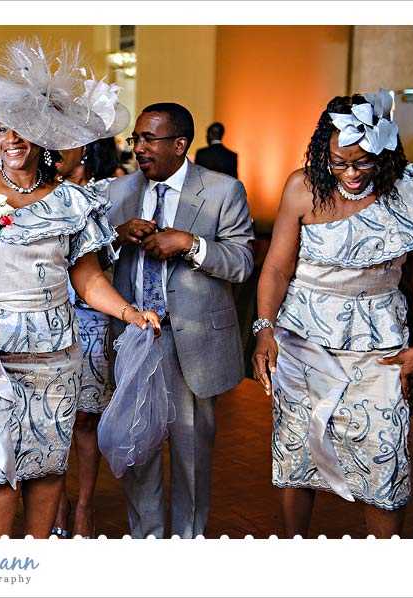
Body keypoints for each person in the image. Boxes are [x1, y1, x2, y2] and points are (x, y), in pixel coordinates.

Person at [0, 39, 160, 539]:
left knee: (49, 468)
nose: (12, 139)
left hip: (55, 354)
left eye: (23, 130)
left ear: (43, 139)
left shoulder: (73, 201)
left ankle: (37, 565)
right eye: (3, 129)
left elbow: (88, 277)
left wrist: (129, 313)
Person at [251, 89, 413, 538]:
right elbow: (278, 268)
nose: (349, 173)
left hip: (379, 346)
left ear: (384, 154)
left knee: (385, 457)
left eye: (363, 163)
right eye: (338, 162)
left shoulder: (412, 192)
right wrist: (264, 329)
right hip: (303, 342)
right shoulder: (301, 187)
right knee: (296, 453)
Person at [109, 102, 254, 539]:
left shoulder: (223, 191)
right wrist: (119, 238)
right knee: (138, 449)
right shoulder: (115, 193)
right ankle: (146, 543)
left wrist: (190, 243)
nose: (139, 148)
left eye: (149, 139)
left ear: (179, 144)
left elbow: (243, 262)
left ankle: (187, 549)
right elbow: (86, 260)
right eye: (136, 139)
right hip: (135, 337)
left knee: (191, 456)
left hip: (191, 341)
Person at [51, 137, 122, 539]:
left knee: (85, 418)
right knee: (53, 419)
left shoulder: (108, 193)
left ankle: (84, 505)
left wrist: (121, 233)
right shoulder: (44, 193)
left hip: (92, 317)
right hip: (49, 314)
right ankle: (56, 503)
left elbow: (104, 261)